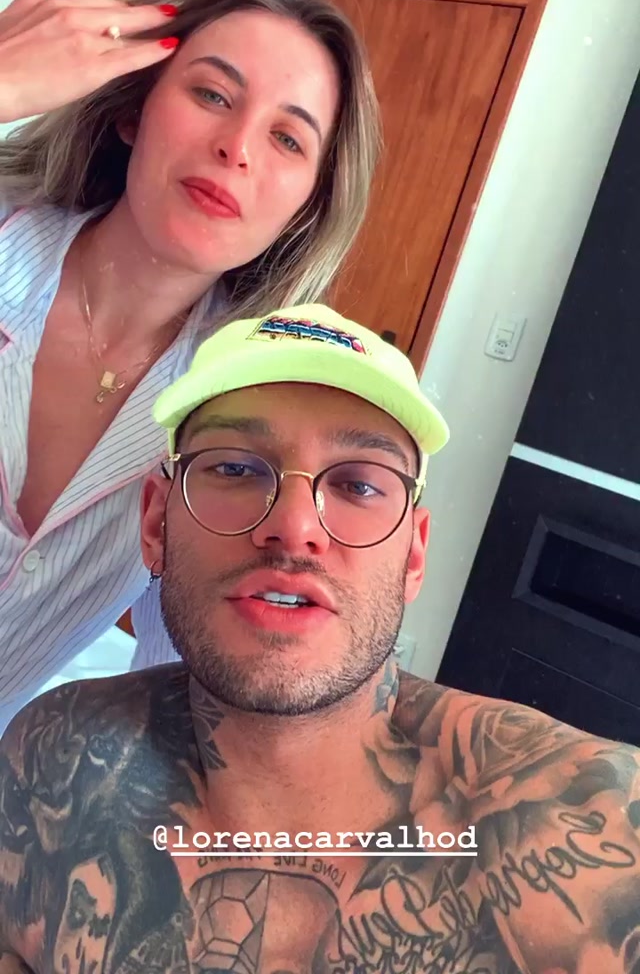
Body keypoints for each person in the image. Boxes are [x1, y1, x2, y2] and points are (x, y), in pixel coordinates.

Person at [1, 304, 639, 974]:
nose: (295, 525)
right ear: (157, 522)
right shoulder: (51, 765)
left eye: (358, 484)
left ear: (413, 556)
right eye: (235, 469)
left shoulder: (599, 834)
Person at [0, 0, 380, 733]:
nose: (236, 148)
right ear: (133, 111)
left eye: (287, 138)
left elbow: (185, 693)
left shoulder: (234, 411)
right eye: (211, 94)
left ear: (307, 205)